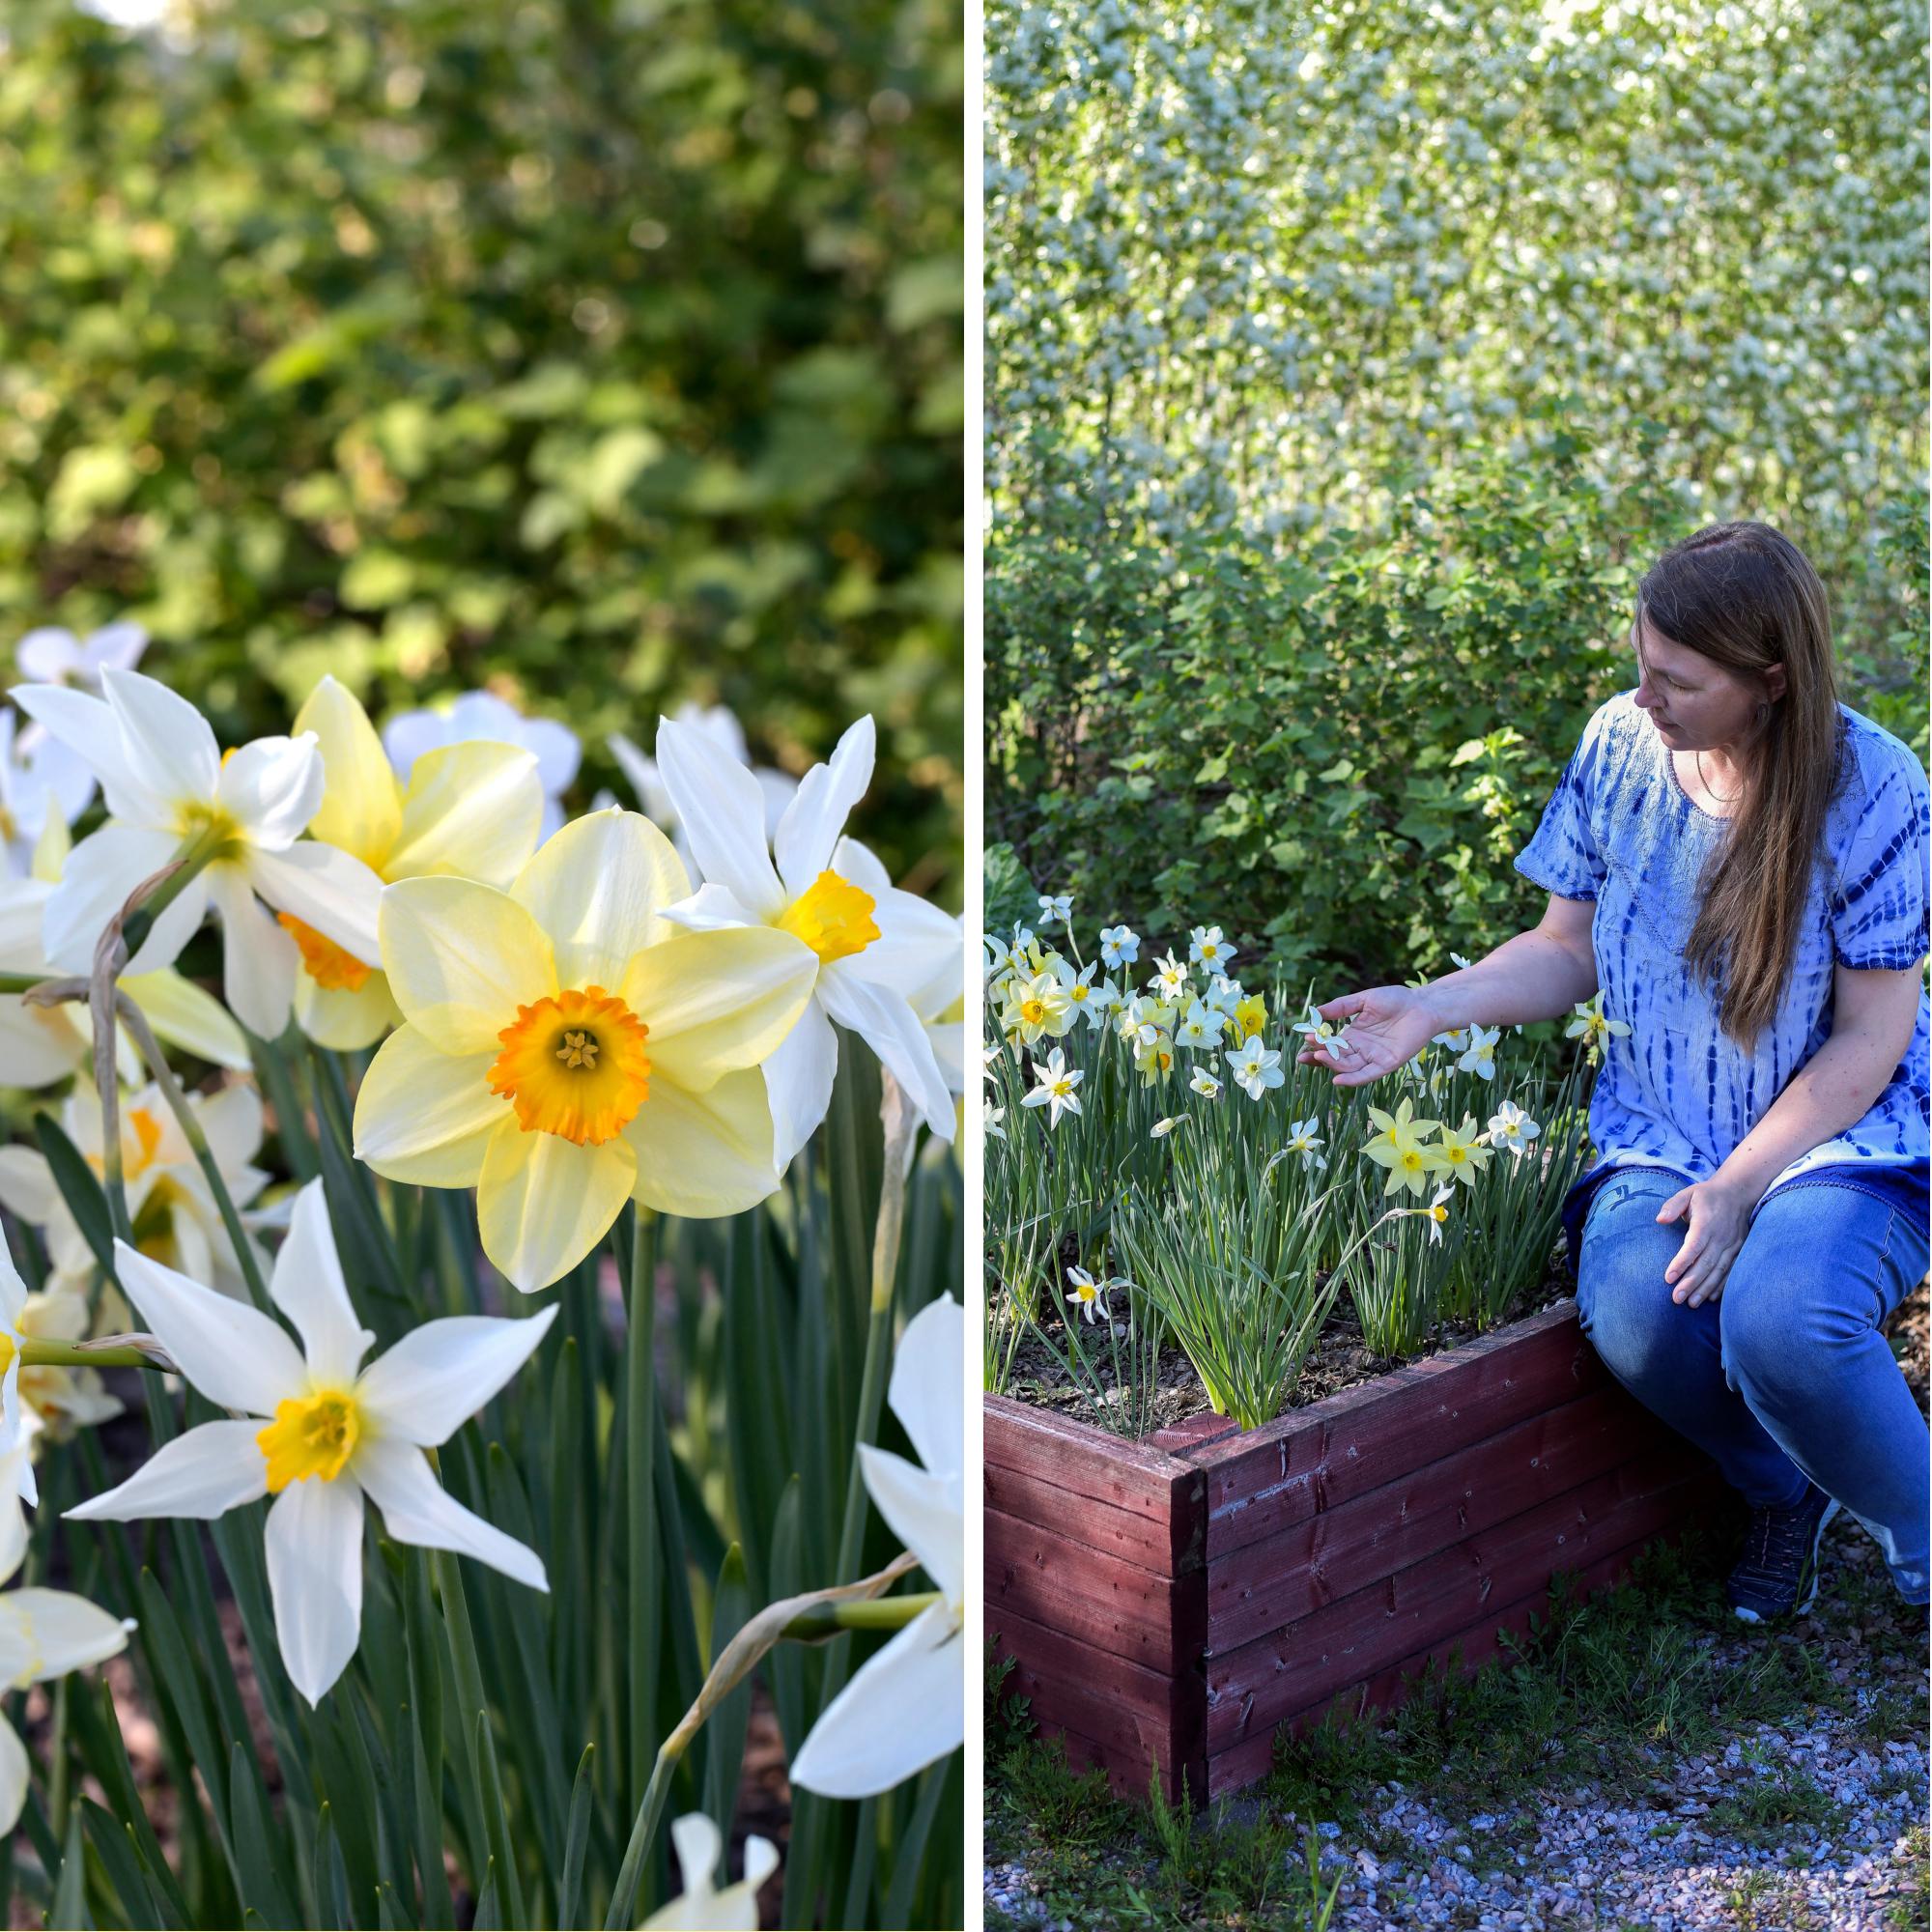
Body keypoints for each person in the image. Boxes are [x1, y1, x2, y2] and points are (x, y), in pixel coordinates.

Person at [1297, 521, 1930, 1622]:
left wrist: (1740, 1186)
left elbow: (1872, 1037)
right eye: (1641, 664)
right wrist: (1434, 1005)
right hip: (1663, 1130)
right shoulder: (1618, 746)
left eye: (1676, 680)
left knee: (1782, 1320)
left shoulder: (1874, 784)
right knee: (1638, 1315)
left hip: (1838, 1138)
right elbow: (1566, 947)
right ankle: (1783, 1488)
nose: (1645, 696)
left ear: (1770, 680)